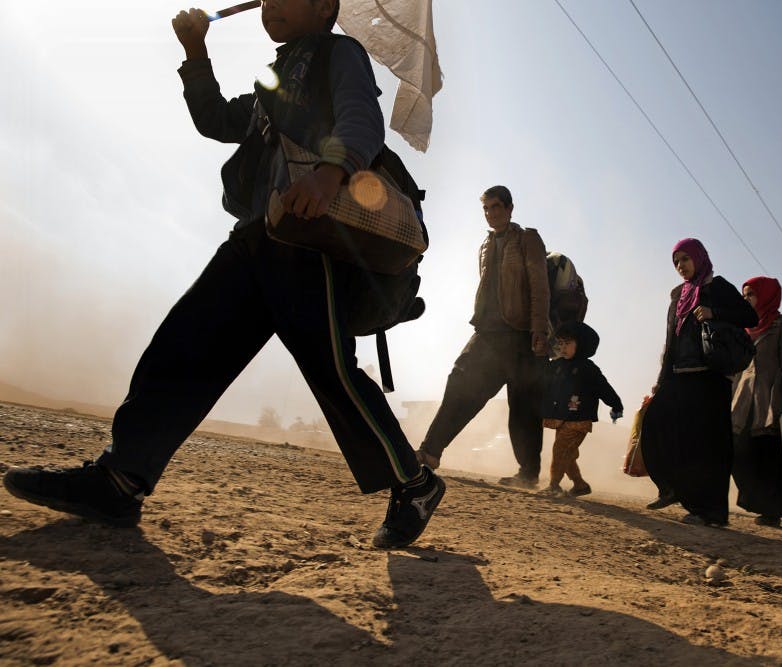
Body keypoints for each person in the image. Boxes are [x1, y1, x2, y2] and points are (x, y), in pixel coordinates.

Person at [3, 0, 445, 550]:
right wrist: (195, 54)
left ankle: (414, 484)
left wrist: (331, 172)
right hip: (258, 233)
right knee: (187, 341)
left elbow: (362, 120)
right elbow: (216, 120)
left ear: (323, 7)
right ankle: (122, 478)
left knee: (331, 370)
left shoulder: (339, 53)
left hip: (309, 235)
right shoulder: (275, 77)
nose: (271, 2)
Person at [415, 186, 550, 488]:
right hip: (488, 333)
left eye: (497, 206)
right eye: (487, 208)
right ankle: (430, 451)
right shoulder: (486, 245)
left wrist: (539, 329)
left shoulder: (527, 239)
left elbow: (540, 286)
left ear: (510, 208)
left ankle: (528, 473)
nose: (491, 213)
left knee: (523, 408)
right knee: (460, 383)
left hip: (521, 335)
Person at [639, 238, 758, 526]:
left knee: (709, 445)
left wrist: (714, 312)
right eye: (676, 261)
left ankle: (711, 512)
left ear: (699, 257)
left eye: (685, 259)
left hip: (711, 376)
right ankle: (671, 488)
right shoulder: (679, 296)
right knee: (655, 422)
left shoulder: (717, 287)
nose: (680, 265)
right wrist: (661, 379)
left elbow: (749, 316)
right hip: (679, 374)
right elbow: (671, 341)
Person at [730, 277, 782, 528]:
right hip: (742, 396)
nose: (746, 299)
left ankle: (771, 510)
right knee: (738, 449)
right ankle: (754, 500)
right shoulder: (742, 327)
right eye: (744, 295)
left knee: (771, 454)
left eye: (751, 294)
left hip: (773, 395)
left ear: (766, 295)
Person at [539, 322, 624, 497]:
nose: (562, 348)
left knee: (560, 450)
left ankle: (554, 485)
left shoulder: (588, 368)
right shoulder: (557, 365)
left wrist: (616, 405)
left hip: (579, 419)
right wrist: (539, 354)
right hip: (561, 417)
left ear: (582, 344)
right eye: (560, 343)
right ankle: (580, 485)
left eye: (567, 343)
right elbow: (540, 375)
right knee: (567, 454)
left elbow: (604, 388)